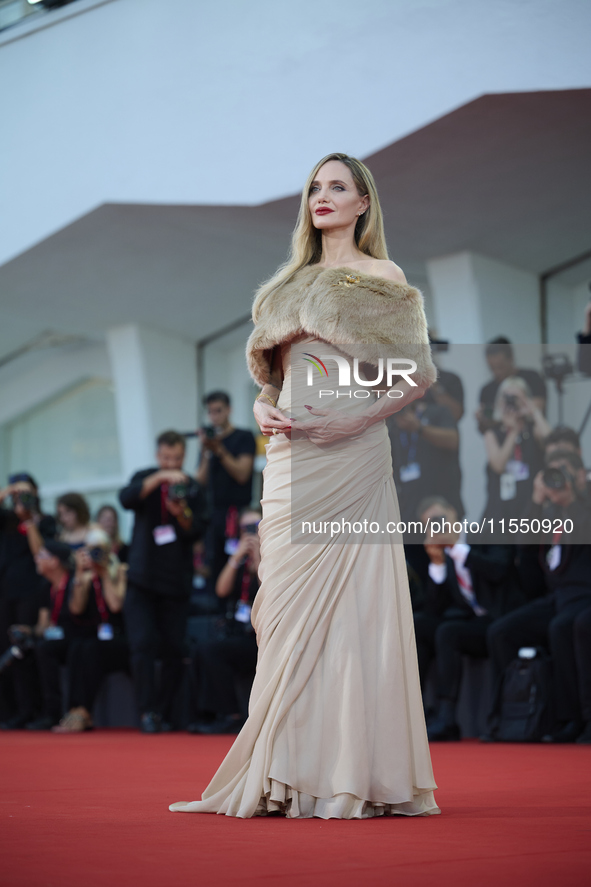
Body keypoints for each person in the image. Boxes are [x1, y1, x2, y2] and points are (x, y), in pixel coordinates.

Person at [170, 153, 440, 819]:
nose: (323, 196)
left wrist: (353, 415)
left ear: (362, 203)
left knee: (354, 614)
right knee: (281, 614)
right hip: (289, 461)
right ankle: (272, 774)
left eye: (338, 187)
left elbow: (415, 375)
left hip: (351, 457)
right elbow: (271, 382)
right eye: (315, 187)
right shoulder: (283, 286)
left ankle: (347, 775)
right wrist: (262, 407)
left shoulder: (383, 278)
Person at [485, 450, 591, 743]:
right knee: (501, 632)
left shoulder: (584, 504)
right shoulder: (550, 512)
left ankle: (574, 719)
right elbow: (524, 544)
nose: (558, 480)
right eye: (552, 473)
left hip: (583, 596)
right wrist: (535, 499)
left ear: (581, 474)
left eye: (564, 471)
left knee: (563, 627)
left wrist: (571, 499)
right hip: (556, 598)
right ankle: (507, 718)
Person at [119, 430, 208, 733]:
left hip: (175, 583)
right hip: (141, 579)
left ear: (184, 457)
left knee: (173, 648)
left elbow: (196, 530)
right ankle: (147, 712)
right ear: (158, 456)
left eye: (177, 459)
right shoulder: (145, 476)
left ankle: (165, 711)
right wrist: (159, 479)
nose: (172, 464)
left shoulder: (192, 486)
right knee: (142, 644)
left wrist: (179, 512)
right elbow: (125, 498)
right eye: (166, 458)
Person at [412, 498, 523, 741]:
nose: (437, 527)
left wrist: (458, 548)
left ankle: (455, 716)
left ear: (453, 513)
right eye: (429, 525)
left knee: (448, 631)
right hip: (476, 623)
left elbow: (498, 569)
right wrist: (438, 564)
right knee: (423, 626)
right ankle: (432, 714)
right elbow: (434, 608)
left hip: (504, 617)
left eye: (439, 519)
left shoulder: (483, 532)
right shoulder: (446, 554)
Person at [189, 508, 261, 735]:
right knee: (201, 649)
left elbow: (269, 589)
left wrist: (259, 556)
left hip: (262, 637)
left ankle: (232, 715)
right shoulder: (239, 561)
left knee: (213, 651)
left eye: (255, 527)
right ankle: (209, 714)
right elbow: (221, 590)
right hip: (239, 632)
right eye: (245, 529)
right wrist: (237, 556)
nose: (250, 533)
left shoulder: (274, 557)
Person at [52, 528, 128, 733]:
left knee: (90, 649)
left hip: (121, 640)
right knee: (78, 647)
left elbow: (115, 605)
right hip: (95, 640)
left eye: (99, 549)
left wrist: (104, 575)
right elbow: (75, 608)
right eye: (91, 550)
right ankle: (75, 709)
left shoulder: (119, 570)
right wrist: (79, 573)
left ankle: (84, 712)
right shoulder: (85, 576)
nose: (95, 555)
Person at [27, 540, 103, 729]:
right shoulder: (45, 587)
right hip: (58, 639)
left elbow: (77, 609)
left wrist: (79, 573)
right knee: (38, 648)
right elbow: (43, 625)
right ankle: (42, 711)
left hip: (81, 635)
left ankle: (67, 711)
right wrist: (28, 631)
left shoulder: (74, 581)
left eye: (42, 556)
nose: (36, 559)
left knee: (74, 648)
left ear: (55, 562)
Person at [0, 474, 56, 728]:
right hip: (5, 592)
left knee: (27, 649)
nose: (21, 499)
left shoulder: (45, 521)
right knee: (7, 651)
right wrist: (7, 492)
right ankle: (14, 710)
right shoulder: (5, 520)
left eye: (26, 493)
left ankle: (36, 709)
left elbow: (41, 554)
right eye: (17, 494)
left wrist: (29, 521)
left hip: (31, 592)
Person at [196, 392, 256, 594]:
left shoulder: (244, 437)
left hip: (238, 514)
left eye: (218, 410)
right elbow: (200, 482)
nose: (214, 416)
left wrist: (219, 449)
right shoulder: (209, 444)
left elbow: (242, 474)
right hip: (214, 515)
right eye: (211, 412)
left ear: (229, 410)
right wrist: (206, 451)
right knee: (215, 567)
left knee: (242, 566)